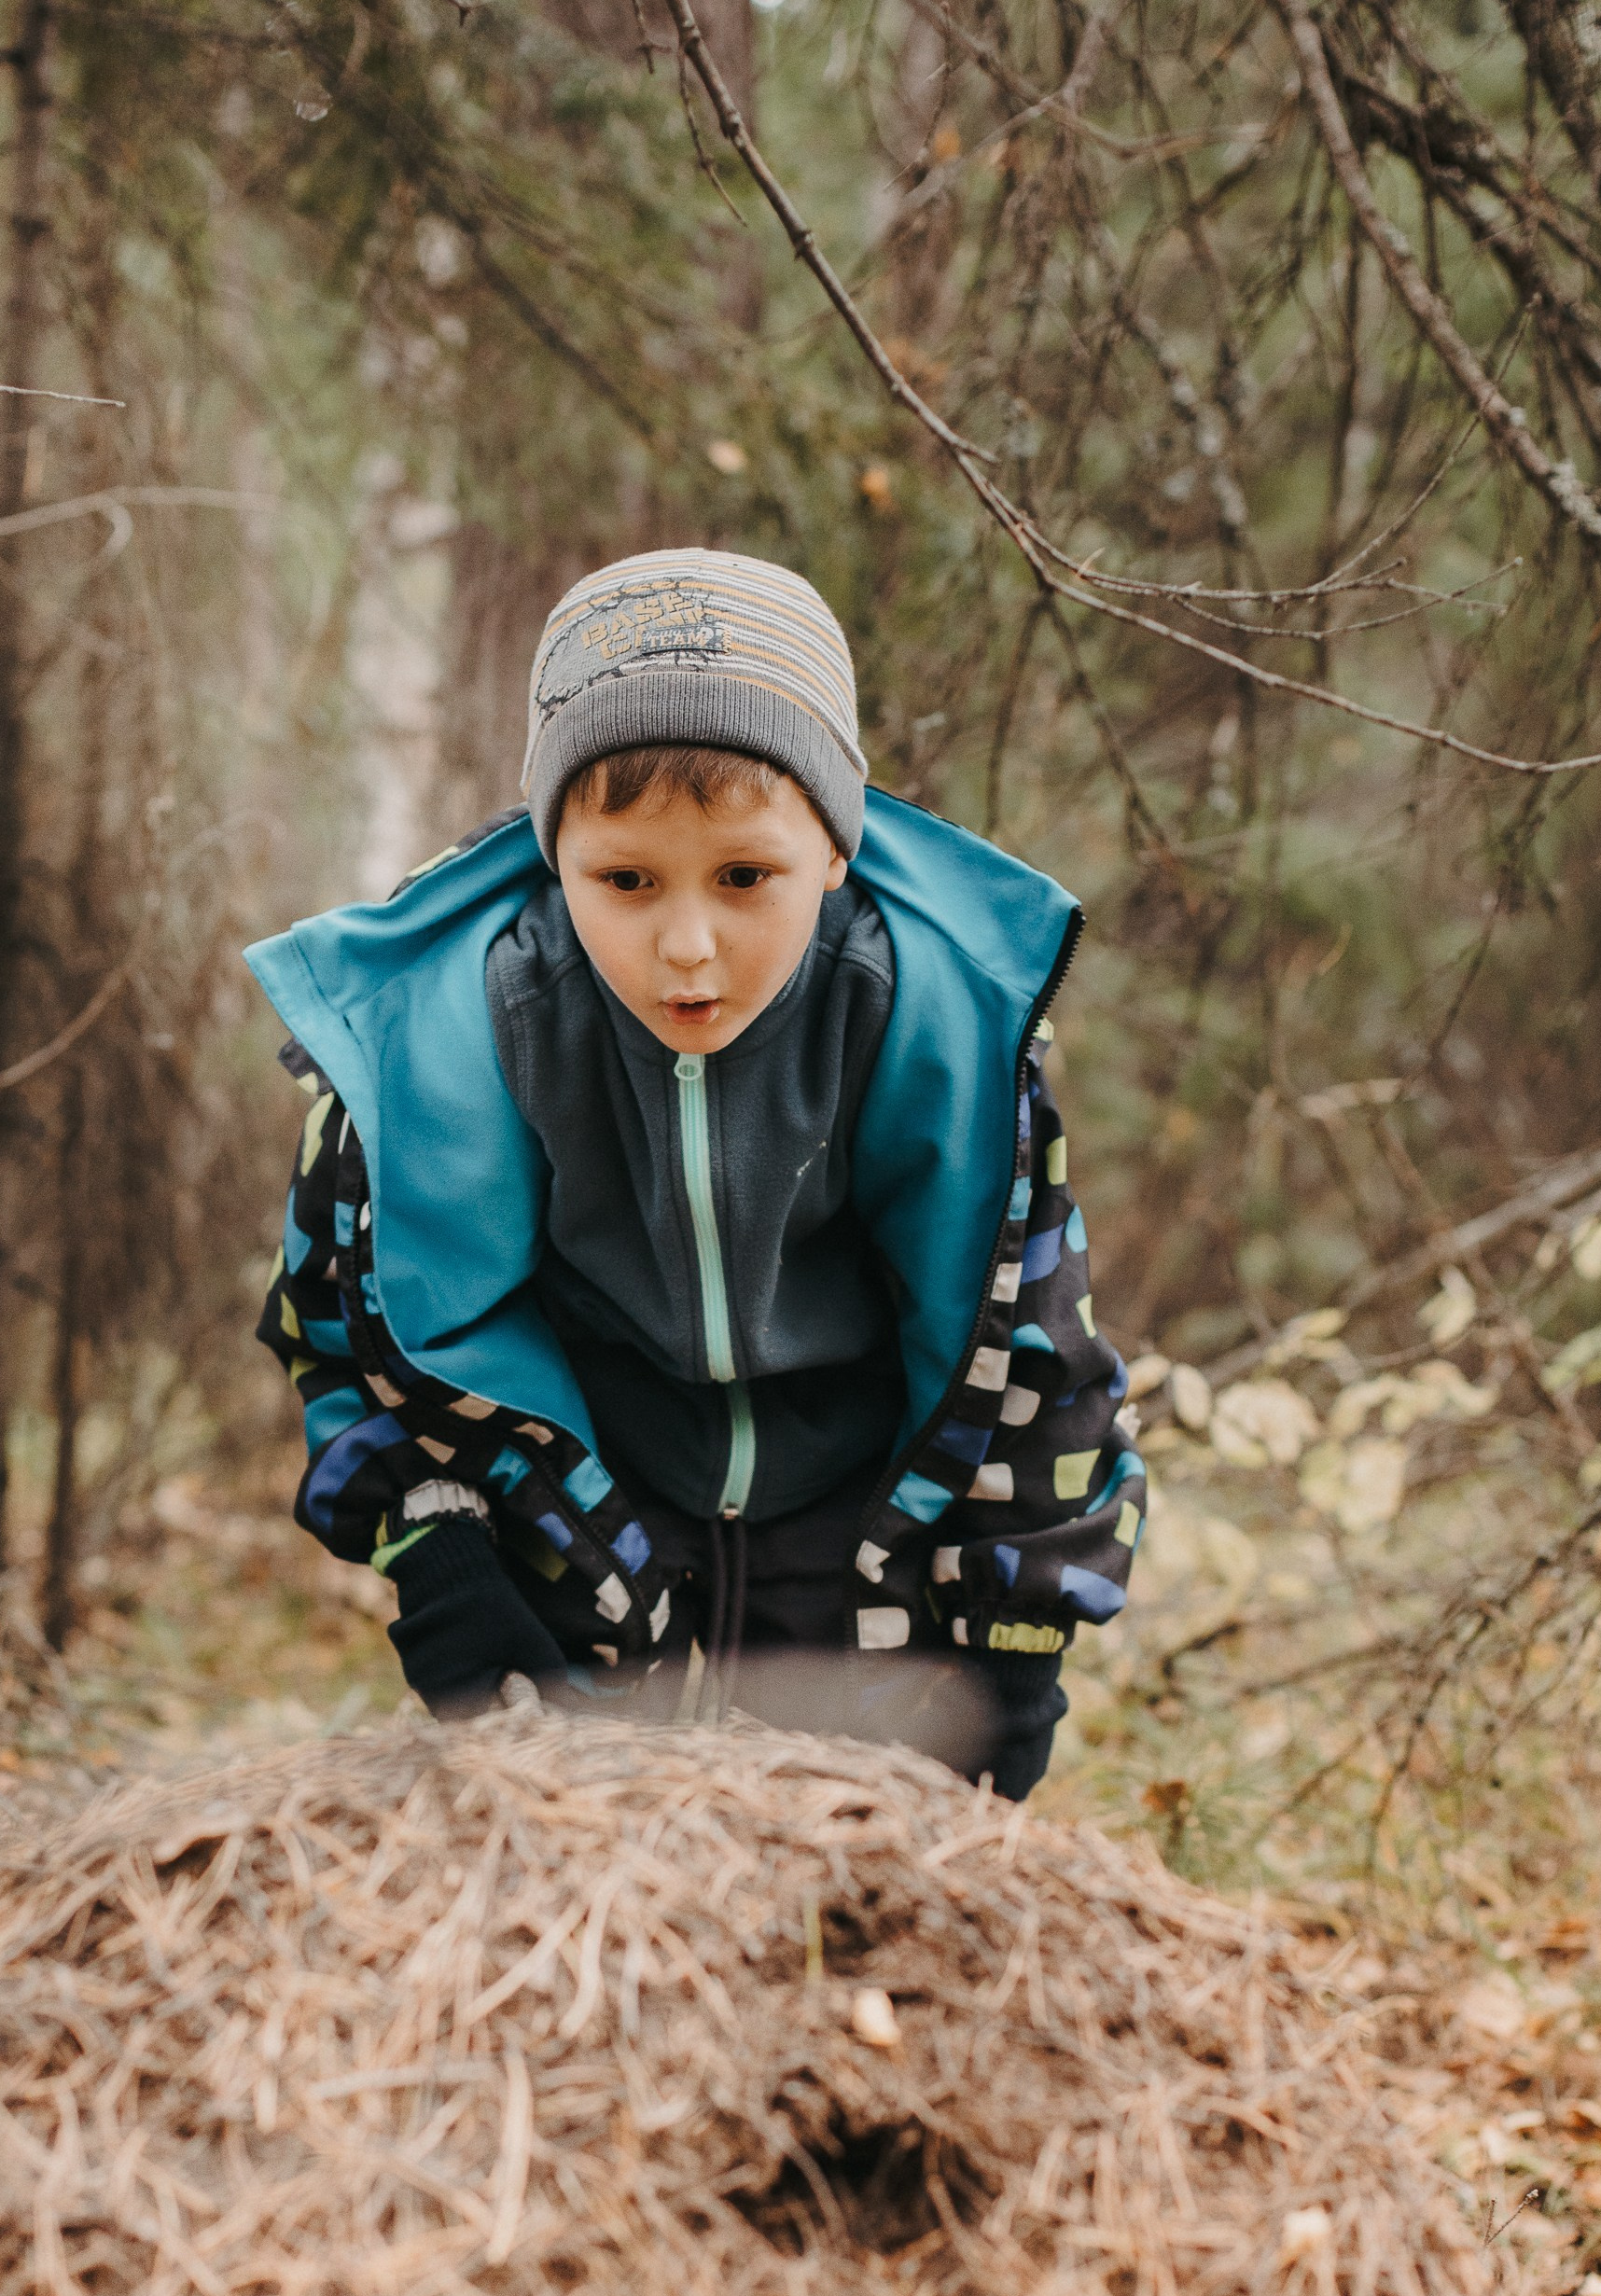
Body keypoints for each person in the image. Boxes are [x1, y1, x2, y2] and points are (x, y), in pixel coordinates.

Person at [247, 548, 1142, 1798]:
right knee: (592, 1876)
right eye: (624, 880)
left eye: (744, 878)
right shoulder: (440, 1044)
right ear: (554, 854)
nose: (686, 945)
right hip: (580, 1531)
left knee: (838, 1875)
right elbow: (349, 1327)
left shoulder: (935, 1030)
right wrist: (441, 1558)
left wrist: (1015, 1645)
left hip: (862, 1540)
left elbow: (1032, 1339)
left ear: (835, 849)